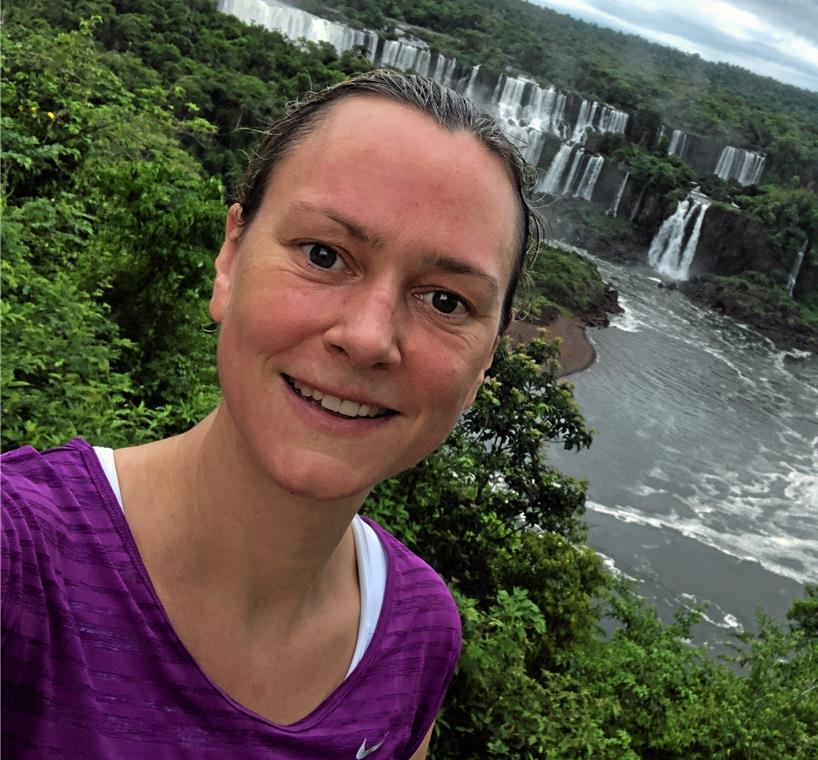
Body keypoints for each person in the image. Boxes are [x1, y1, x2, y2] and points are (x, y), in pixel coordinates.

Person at [1, 70, 539, 758]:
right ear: (231, 258)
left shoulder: (413, 633)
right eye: (325, 255)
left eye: (445, 302)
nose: (369, 337)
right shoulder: (22, 563)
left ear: (486, 359)